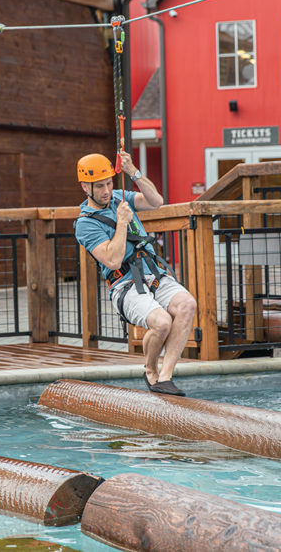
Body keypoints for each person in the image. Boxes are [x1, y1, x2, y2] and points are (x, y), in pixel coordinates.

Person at [74, 152, 196, 396]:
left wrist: (134, 172)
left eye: (109, 183)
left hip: (153, 273)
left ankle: (165, 377)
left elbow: (156, 201)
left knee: (187, 305)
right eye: (100, 186)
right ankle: (150, 369)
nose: (107, 190)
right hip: (124, 285)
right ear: (85, 187)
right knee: (161, 323)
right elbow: (112, 259)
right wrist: (121, 223)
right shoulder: (85, 224)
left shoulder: (120, 196)